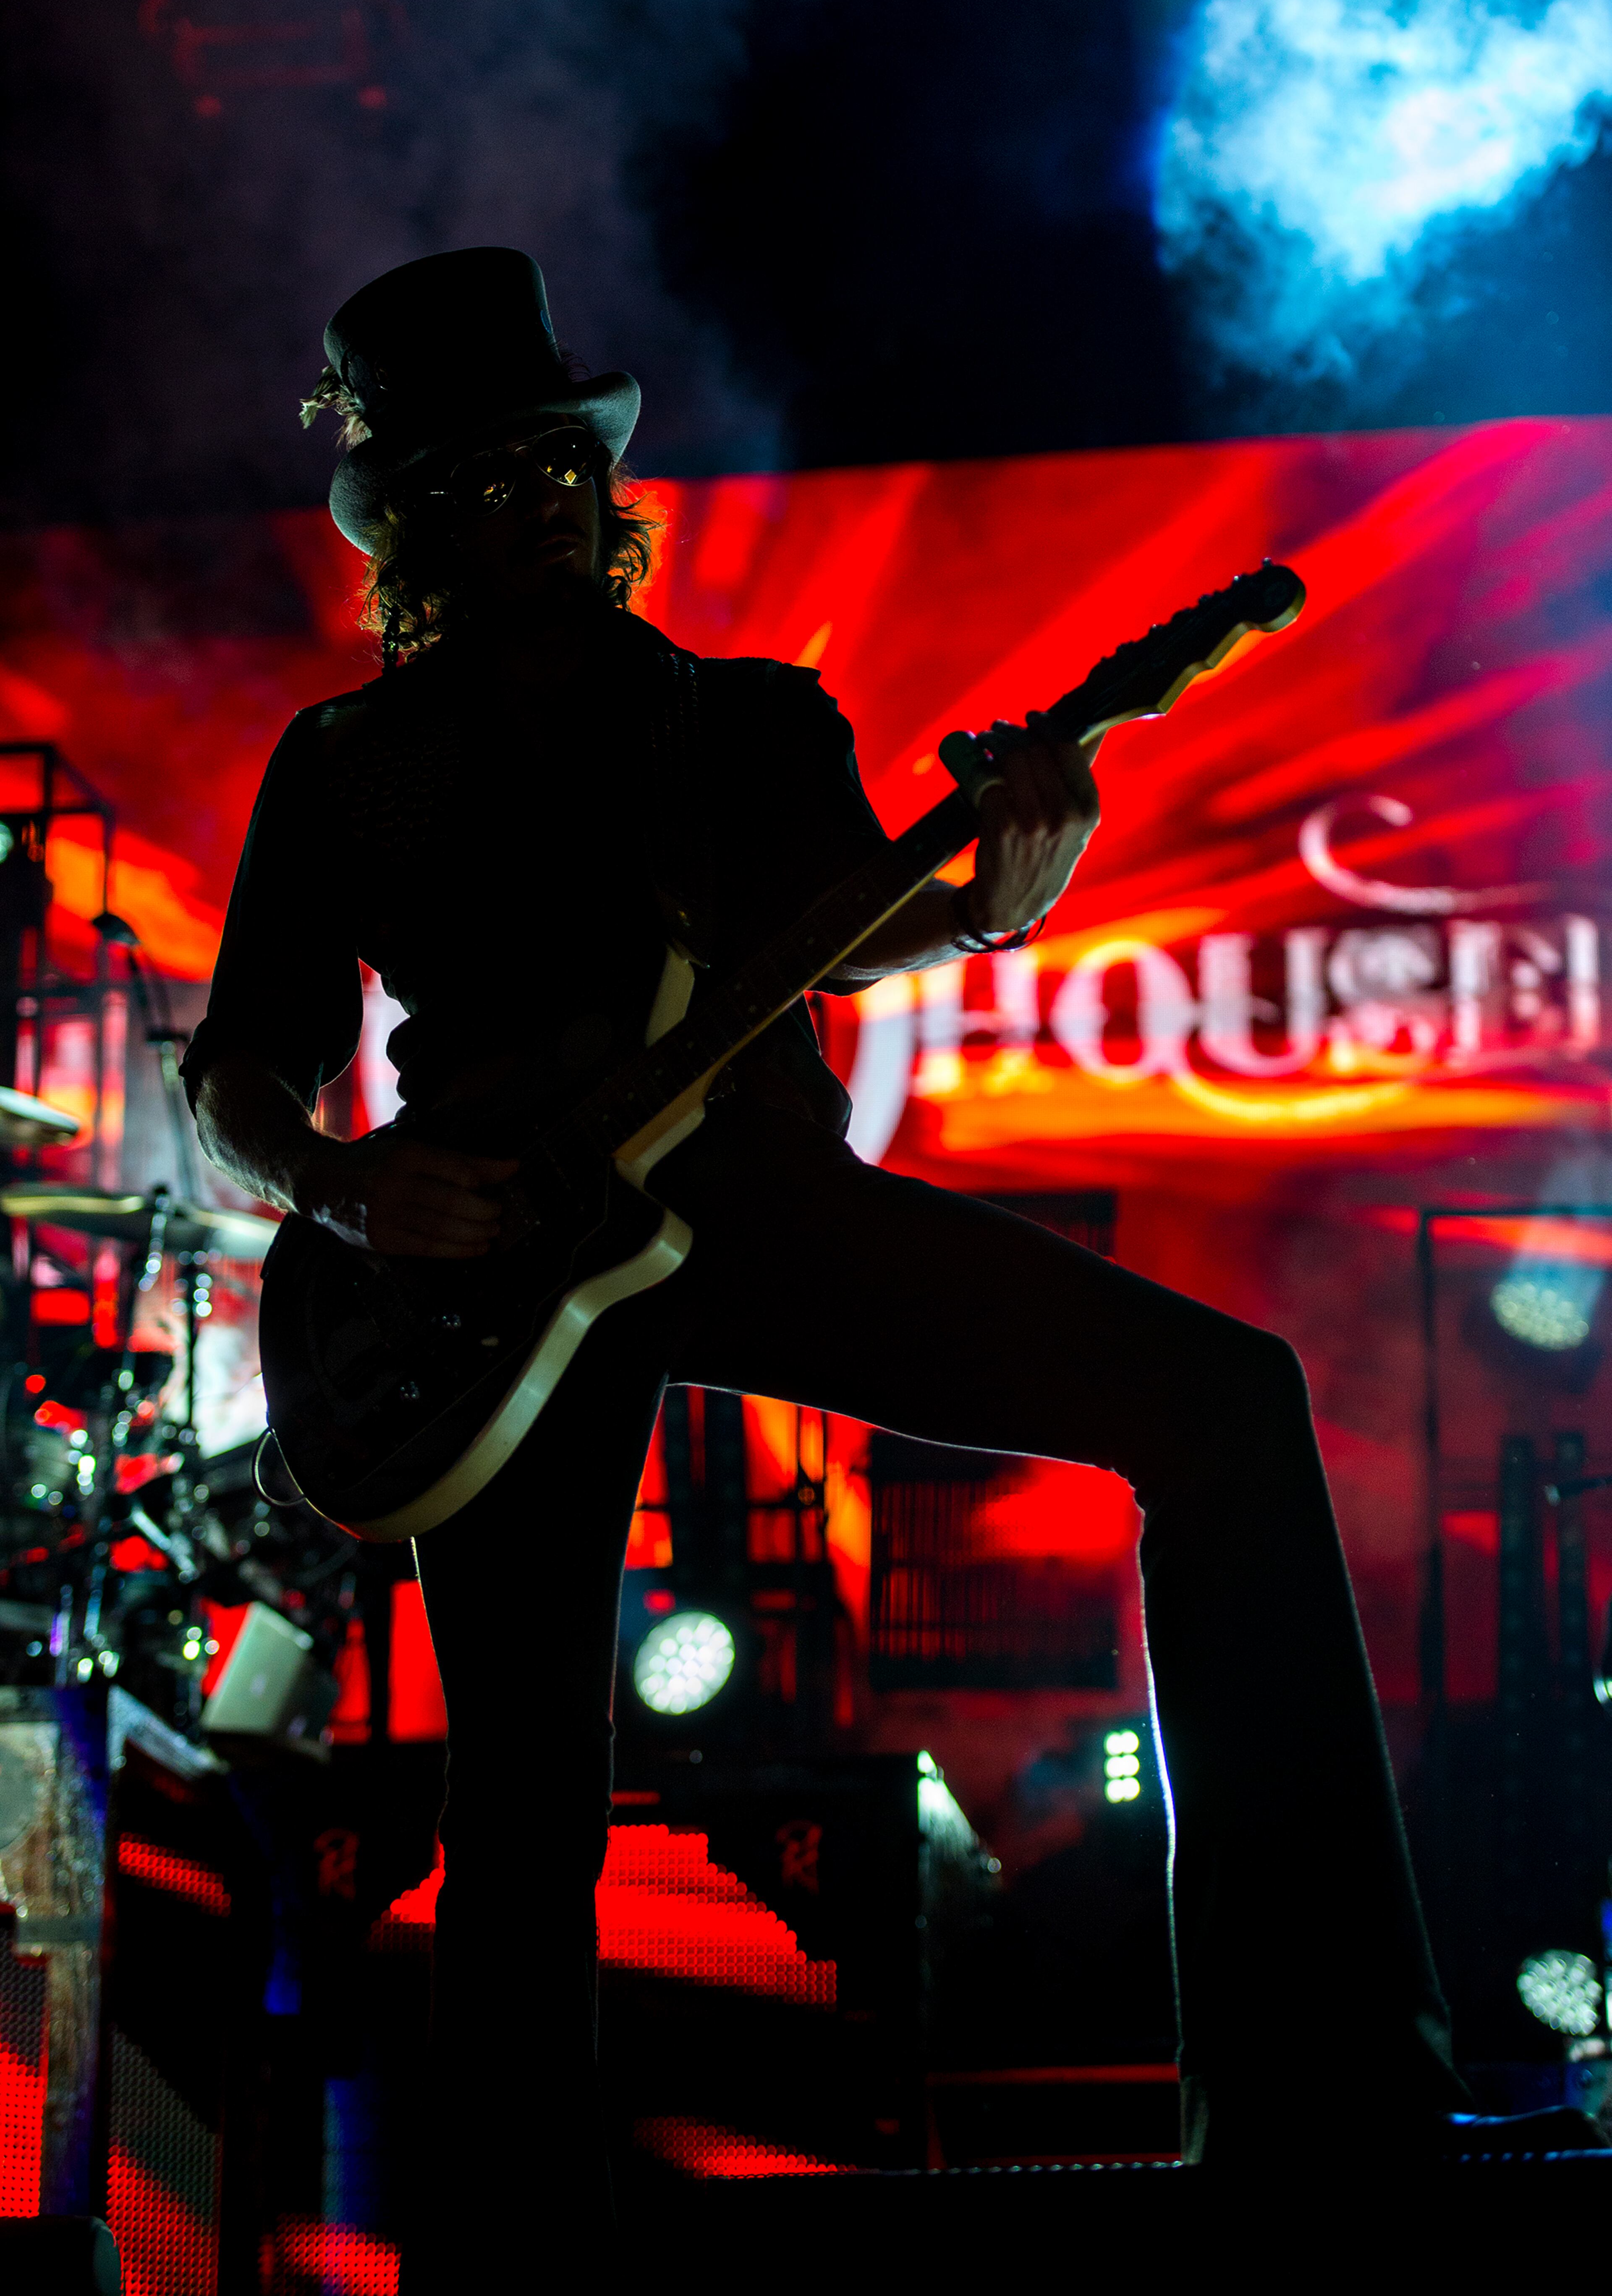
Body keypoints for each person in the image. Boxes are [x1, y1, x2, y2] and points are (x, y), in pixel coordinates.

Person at [183, 248, 1594, 2270]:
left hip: (757, 1202)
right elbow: (235, 1071)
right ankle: (503, 2259)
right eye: (473, 485)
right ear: (402, 521)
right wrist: (346, 1193)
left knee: (1224, 1409)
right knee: (523, 1807)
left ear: (603, 490)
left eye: (549, 474)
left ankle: (1329, 2110)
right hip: (477, 1274)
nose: (527, 514)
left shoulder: (748, 724)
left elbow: (851, 929)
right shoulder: (345, 766)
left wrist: (999, 892)